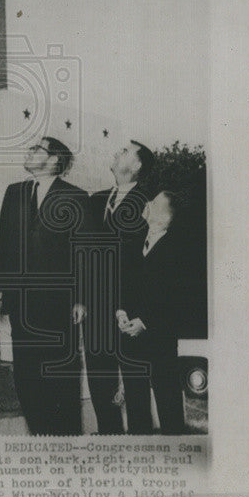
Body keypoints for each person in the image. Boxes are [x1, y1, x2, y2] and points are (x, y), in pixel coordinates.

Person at [0, 137, 88, 435]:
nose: (30, 151)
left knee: (61, 379)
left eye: (38, 149)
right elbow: (5, 243)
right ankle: (41, 438)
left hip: (59, 306)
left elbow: (84, 252)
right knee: (26, 377)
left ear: (54, 160)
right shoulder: (14, 192)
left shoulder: (76, 197)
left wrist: (81, 299)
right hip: (22, 305)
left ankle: (65, 444)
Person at [84, 139, 153, 434]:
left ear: (136, 166)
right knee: (101, 390)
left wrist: (143, 316)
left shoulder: (150, 206)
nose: (116, 151)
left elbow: (154, 269)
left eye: (124, 151)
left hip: (130, 317)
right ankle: (109, 452)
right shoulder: (95, 201)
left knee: (136, 394)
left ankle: (141, 460)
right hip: (95, 315)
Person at [117, 191, 186, 435]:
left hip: (160, 339)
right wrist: (121, 311)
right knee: (136, 404)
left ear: (166, 216)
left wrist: (145, 322)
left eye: (154, 203)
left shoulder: (179, 248)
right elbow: (124, 282)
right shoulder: (135, 241)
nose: (146, 203)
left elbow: (176, 297)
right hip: (130, 337)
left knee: (168, 403)